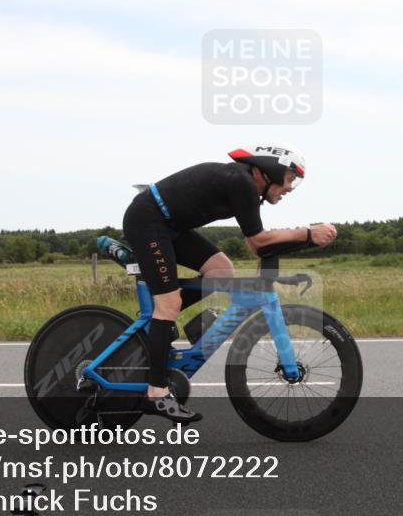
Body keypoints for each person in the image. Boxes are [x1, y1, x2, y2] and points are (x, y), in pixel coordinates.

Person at [121, 144, 338, 423]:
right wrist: (308, 232)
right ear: (270, 171)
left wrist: (306, 239)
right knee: (169, 301)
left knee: (221, 270)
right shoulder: (241, 182)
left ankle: (159, 322)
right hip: (148, 220)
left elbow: (259, 247)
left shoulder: (244, 184)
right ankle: (157, 393)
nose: (290, 188)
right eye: (289, 179)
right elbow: (258, 242)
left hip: (169, 226)